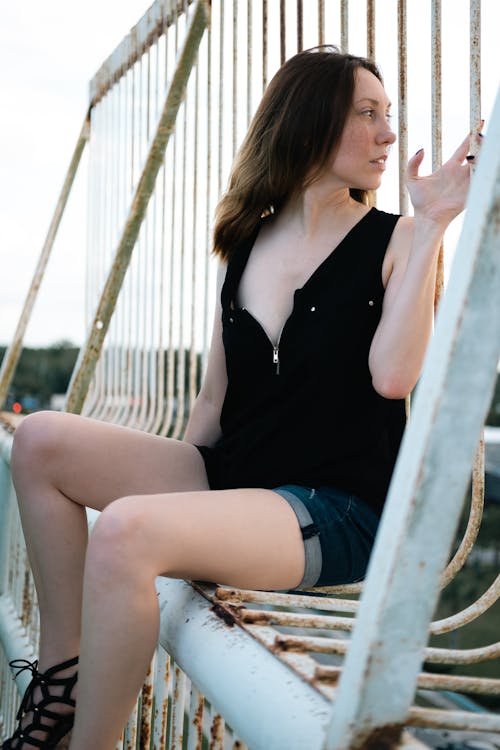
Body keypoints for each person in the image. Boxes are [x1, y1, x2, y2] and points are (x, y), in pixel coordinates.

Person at [3, 45, 478, 750]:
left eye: (389, 116)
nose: (388, 135)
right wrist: (192, 503)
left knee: (126, 532)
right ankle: (61, 680)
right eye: (367, 114)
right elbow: (212, 404)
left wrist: (436, 222)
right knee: (40, 441)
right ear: (308, 123)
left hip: (337, 508)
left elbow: (393, 377)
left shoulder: (401, 237)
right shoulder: (245, 242)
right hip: (241, 477)